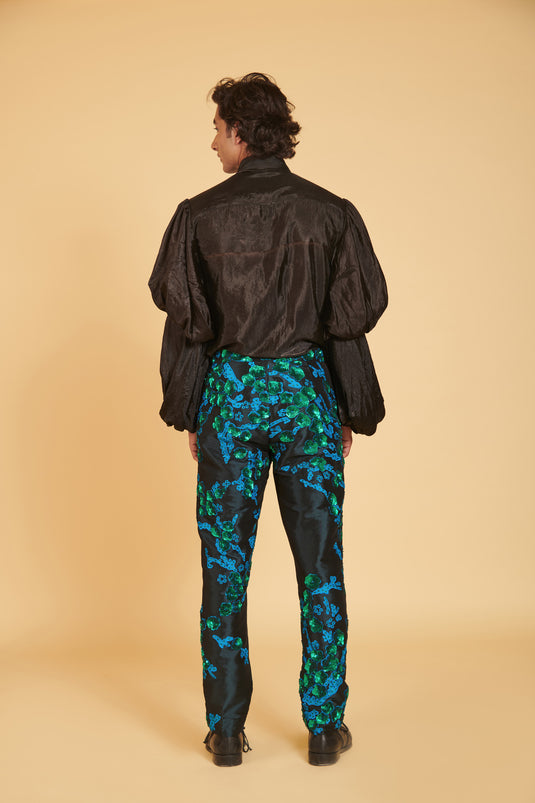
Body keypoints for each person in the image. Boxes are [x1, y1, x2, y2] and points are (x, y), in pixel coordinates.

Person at [149, 73, 387, 767]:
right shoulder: (330, 213)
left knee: (224, 569)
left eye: (217, 129)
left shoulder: (198, 216)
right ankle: (325, 727)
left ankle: (226, 732)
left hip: (231, 398)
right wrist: (346, 406)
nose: (212, 143)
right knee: (320, 565)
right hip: (307, 397)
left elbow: (189, 324)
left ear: (240, 132)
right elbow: (347, 318)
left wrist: (192, 409)